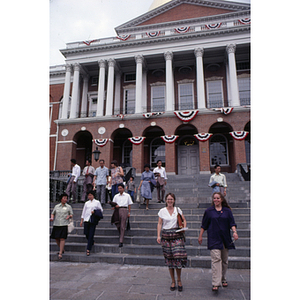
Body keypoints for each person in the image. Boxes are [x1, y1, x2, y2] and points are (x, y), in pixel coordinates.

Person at [198, 192, 239, 292]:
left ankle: (223, 278)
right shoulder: (209, 211)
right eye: (214, 198)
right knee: (216, 259)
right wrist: (200, 236)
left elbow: (232, 223)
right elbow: (204, 225)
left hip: (225, 239)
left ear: (221, 199)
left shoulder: (227, 211)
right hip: (213, 238)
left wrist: (235, 232)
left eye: (218, 198)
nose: (216, 200)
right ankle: (216, 283)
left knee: (224, 261)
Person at [157, 193, 187, 292]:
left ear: (174, 200)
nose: (170, 201)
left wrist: (183, 227)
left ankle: (179, 280)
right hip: (166, 236)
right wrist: (158, 235)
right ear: (166, 200)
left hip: (177, 235)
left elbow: (184, 220)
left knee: (178, 258)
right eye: (168, 199)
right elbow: (160, 223)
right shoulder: (162, 211)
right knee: (170, 259)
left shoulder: (178, 209)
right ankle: (173, 281)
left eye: (171, 199)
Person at [50, 193, 73, 260]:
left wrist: (69, 216)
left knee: (62, 238)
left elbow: (71, 214)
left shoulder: (68, 207)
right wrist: (52, 218)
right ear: (61, 199)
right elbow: (53, 213)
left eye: (66, 198)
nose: (65, 199)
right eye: (64, 198)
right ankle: (62, 249)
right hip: (56, 224)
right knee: (56, 238)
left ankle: (60, 253)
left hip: (64, 224)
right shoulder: (57, 206)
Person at [80, 190, 103, 256]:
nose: (89, 196)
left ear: (93, 195)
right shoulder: (87, 203)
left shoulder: (97, 202)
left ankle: (88, 249)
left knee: (91, 234)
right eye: (89, 195)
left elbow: (101, 210)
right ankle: (92, 241)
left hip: (93, 220)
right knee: (86, 233)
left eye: (91, 195)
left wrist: (95, 212)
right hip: (86, 219)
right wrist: (82, 220)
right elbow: (84, 212)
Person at [111, 183, 133, 247]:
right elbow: (114, 203)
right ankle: (121, 233)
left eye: (120, 188)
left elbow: (129, 205)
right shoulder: (116, 196)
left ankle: (121, 241)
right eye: (118, 188)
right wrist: (114, 206)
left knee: (123, 225)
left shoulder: (127, 196)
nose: (119, 190)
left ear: (123, 189)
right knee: (117, 223)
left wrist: (129, 213)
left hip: (124, 209)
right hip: (117, 210)